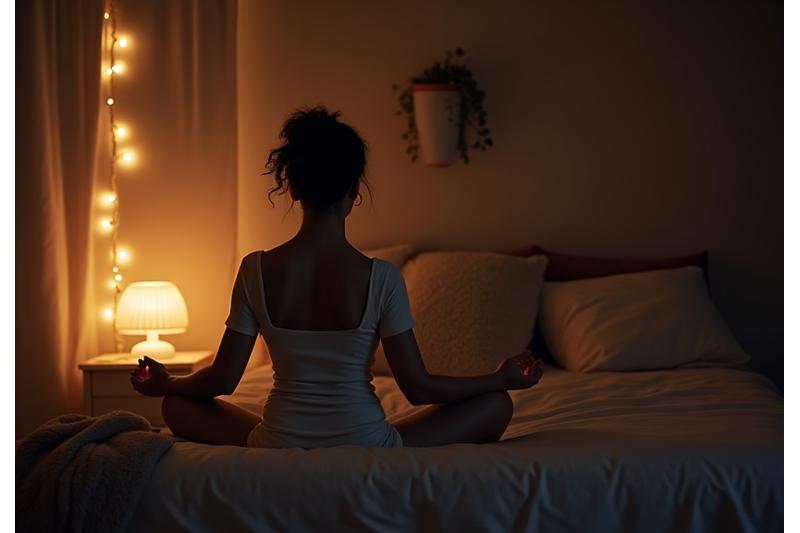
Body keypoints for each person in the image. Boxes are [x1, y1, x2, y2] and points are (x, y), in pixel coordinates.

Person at [130, 106, 544, 448]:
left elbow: (222, 380)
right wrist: (500, 378)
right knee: (495, 404)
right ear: (354, 193)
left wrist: (170, 381)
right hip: (365, 440)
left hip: (277, 440)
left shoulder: (255, 268)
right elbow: (419, 388)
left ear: (291, 188)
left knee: (175, 406)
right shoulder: (381, 278)